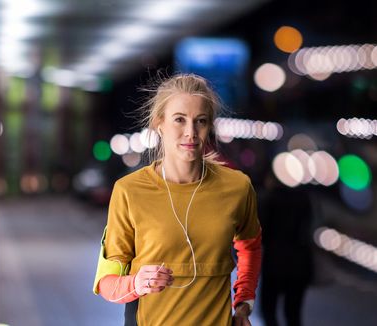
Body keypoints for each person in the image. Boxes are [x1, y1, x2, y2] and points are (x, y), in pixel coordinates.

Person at [92, 74, 262, 325]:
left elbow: (250, 246)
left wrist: (243, 303)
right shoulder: (129, 190)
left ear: (210, 126)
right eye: (179, 120)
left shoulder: (237, 187)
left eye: (200, 121)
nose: (190, 132)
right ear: (159, 123)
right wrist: (137, 283)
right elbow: (106, 284)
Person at [258, 172, 313, 326]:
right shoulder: (305, 198)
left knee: (269, 311)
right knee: (293, 314)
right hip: (299, 263)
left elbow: (261, 232)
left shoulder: (270, 199)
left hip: (275, 262)